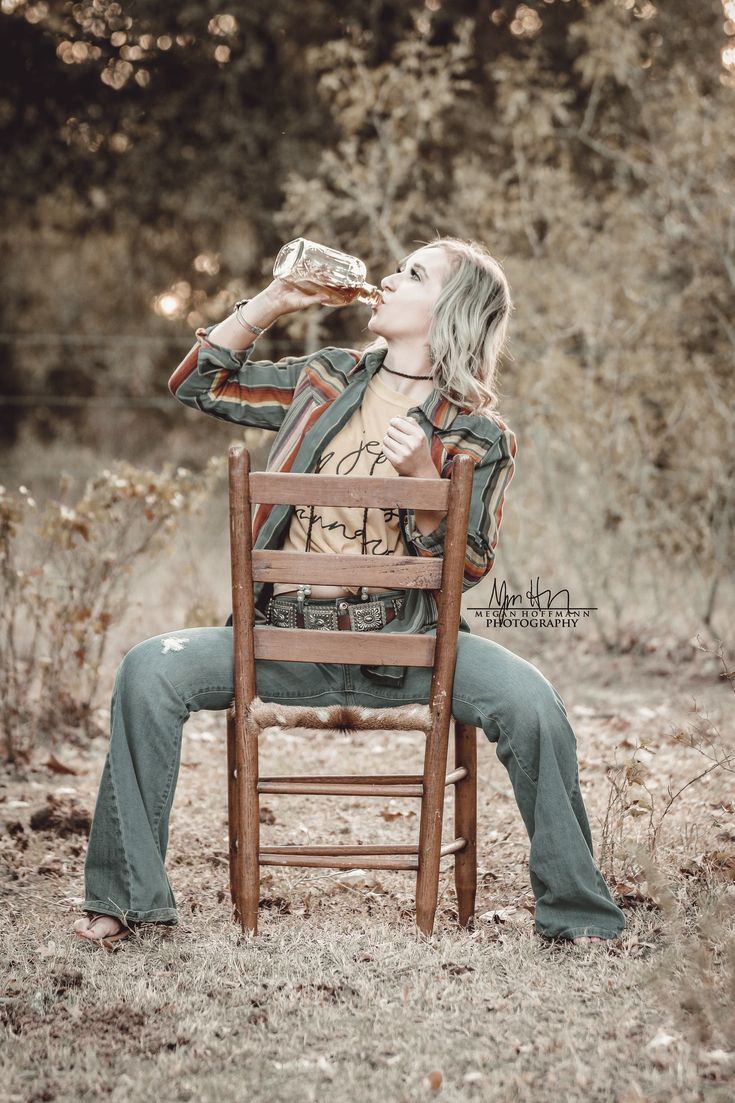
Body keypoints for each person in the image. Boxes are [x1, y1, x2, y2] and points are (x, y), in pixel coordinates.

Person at [73, 236, 625, 949]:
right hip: (279, 640)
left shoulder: (478, 436)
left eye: (413, 273)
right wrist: (275, 299)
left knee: (532, 703)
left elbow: (469, 567)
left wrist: (429, 487)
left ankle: (576, 913)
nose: (389, 278)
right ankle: (125, 899)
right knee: (148, 669)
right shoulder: (323, 379)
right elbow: (196, 385)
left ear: (449, 311)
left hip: (410, 647)